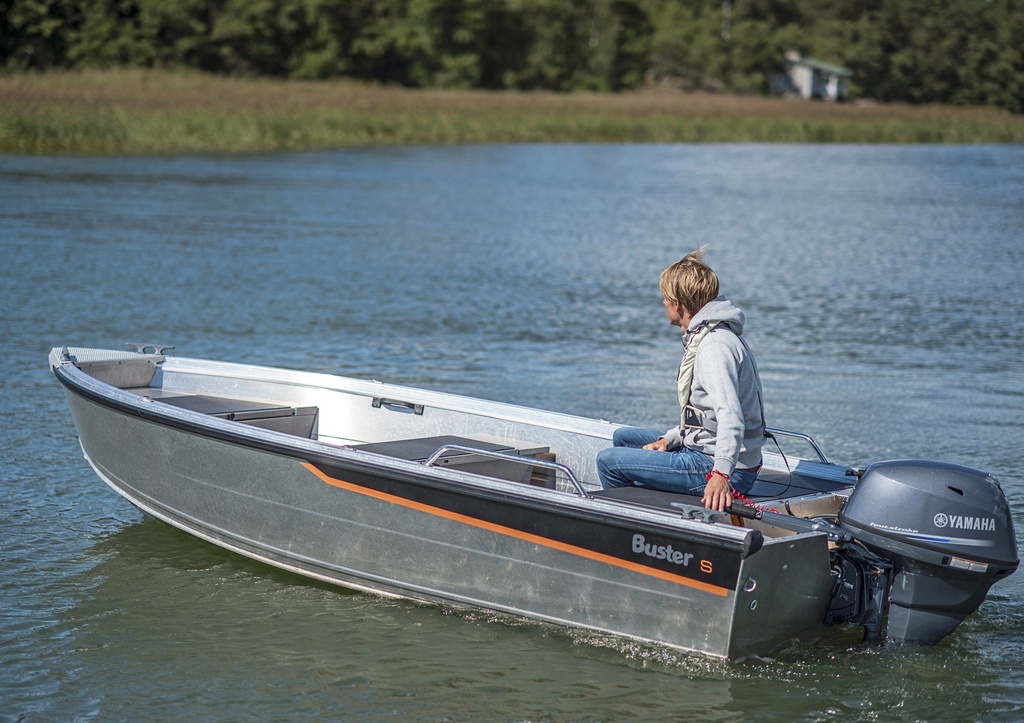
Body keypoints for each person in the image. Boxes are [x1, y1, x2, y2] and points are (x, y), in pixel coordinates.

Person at [596, 248, 766, 512]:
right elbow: (701, 416)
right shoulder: (707, 335)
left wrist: (721, 474)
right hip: (705, 448)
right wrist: (669, 439)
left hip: (722, 468)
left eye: (665, 298)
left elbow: (731, 417)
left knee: (608, 461)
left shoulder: (714, 348)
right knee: (624, 438)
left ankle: (632, 522)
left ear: (678, 304)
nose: (663, 303)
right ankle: (650, 502)